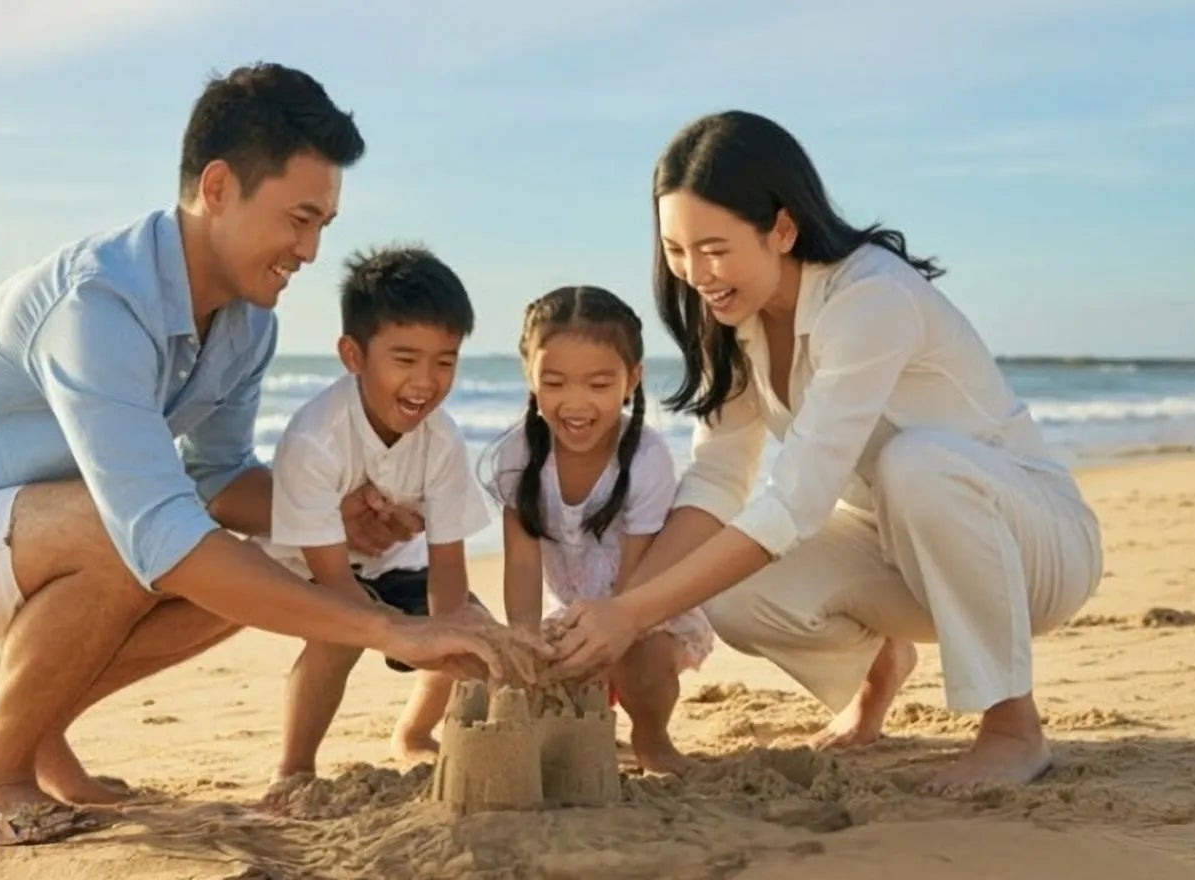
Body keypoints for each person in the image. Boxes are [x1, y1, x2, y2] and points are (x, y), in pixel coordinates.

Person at [0, 63, 540, 846]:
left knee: (284, 551)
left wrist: (338, 513)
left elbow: (219, 479)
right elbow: (155, 528)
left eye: (324, 224)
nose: (311, 249)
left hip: (13, 538)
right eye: (299, 219)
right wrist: (393, 631)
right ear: (218, 187)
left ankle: (13, 719)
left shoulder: (247, 322)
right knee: (132, 534)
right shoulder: (99, 303)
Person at [546, 110, 1103, 796]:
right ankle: (879, 667)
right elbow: (720, 477)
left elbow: (796, 501)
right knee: (733, 594)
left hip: (1033, 547)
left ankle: (1014, 727)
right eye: (677, 250)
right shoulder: (731, 315)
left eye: (714, 248)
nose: (696, 274)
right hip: (896, 549)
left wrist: (631, 615)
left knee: (915, 464)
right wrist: (621, 609)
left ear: (782, 227)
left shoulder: (872, 297)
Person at [260, 244, 495, 787]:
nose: (426, 381)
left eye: (445, 362)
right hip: (310, 565)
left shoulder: (442, 439)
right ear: (353, 356)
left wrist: (450, 630)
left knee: (469, 629)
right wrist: (395, 633)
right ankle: (293, 769)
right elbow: (337, 586)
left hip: (395, 561)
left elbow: (449, 570)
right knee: (339, 636)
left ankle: (415, 734)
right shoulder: (315, 438)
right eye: (405, 359)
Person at [479, 285, 710, 774]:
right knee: (509, 659)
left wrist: (610, 638)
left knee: (637, 662)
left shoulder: (646, 458)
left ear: (632, 380)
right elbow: (521, 564)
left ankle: (651, 740)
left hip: (643, 608)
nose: (575, 403)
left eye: (599, 385)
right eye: (555, 382)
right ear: (529, 375)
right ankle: (586, 725)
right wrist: (523, 643)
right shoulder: (517, 457)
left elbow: (635, 582)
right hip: (574, 610)